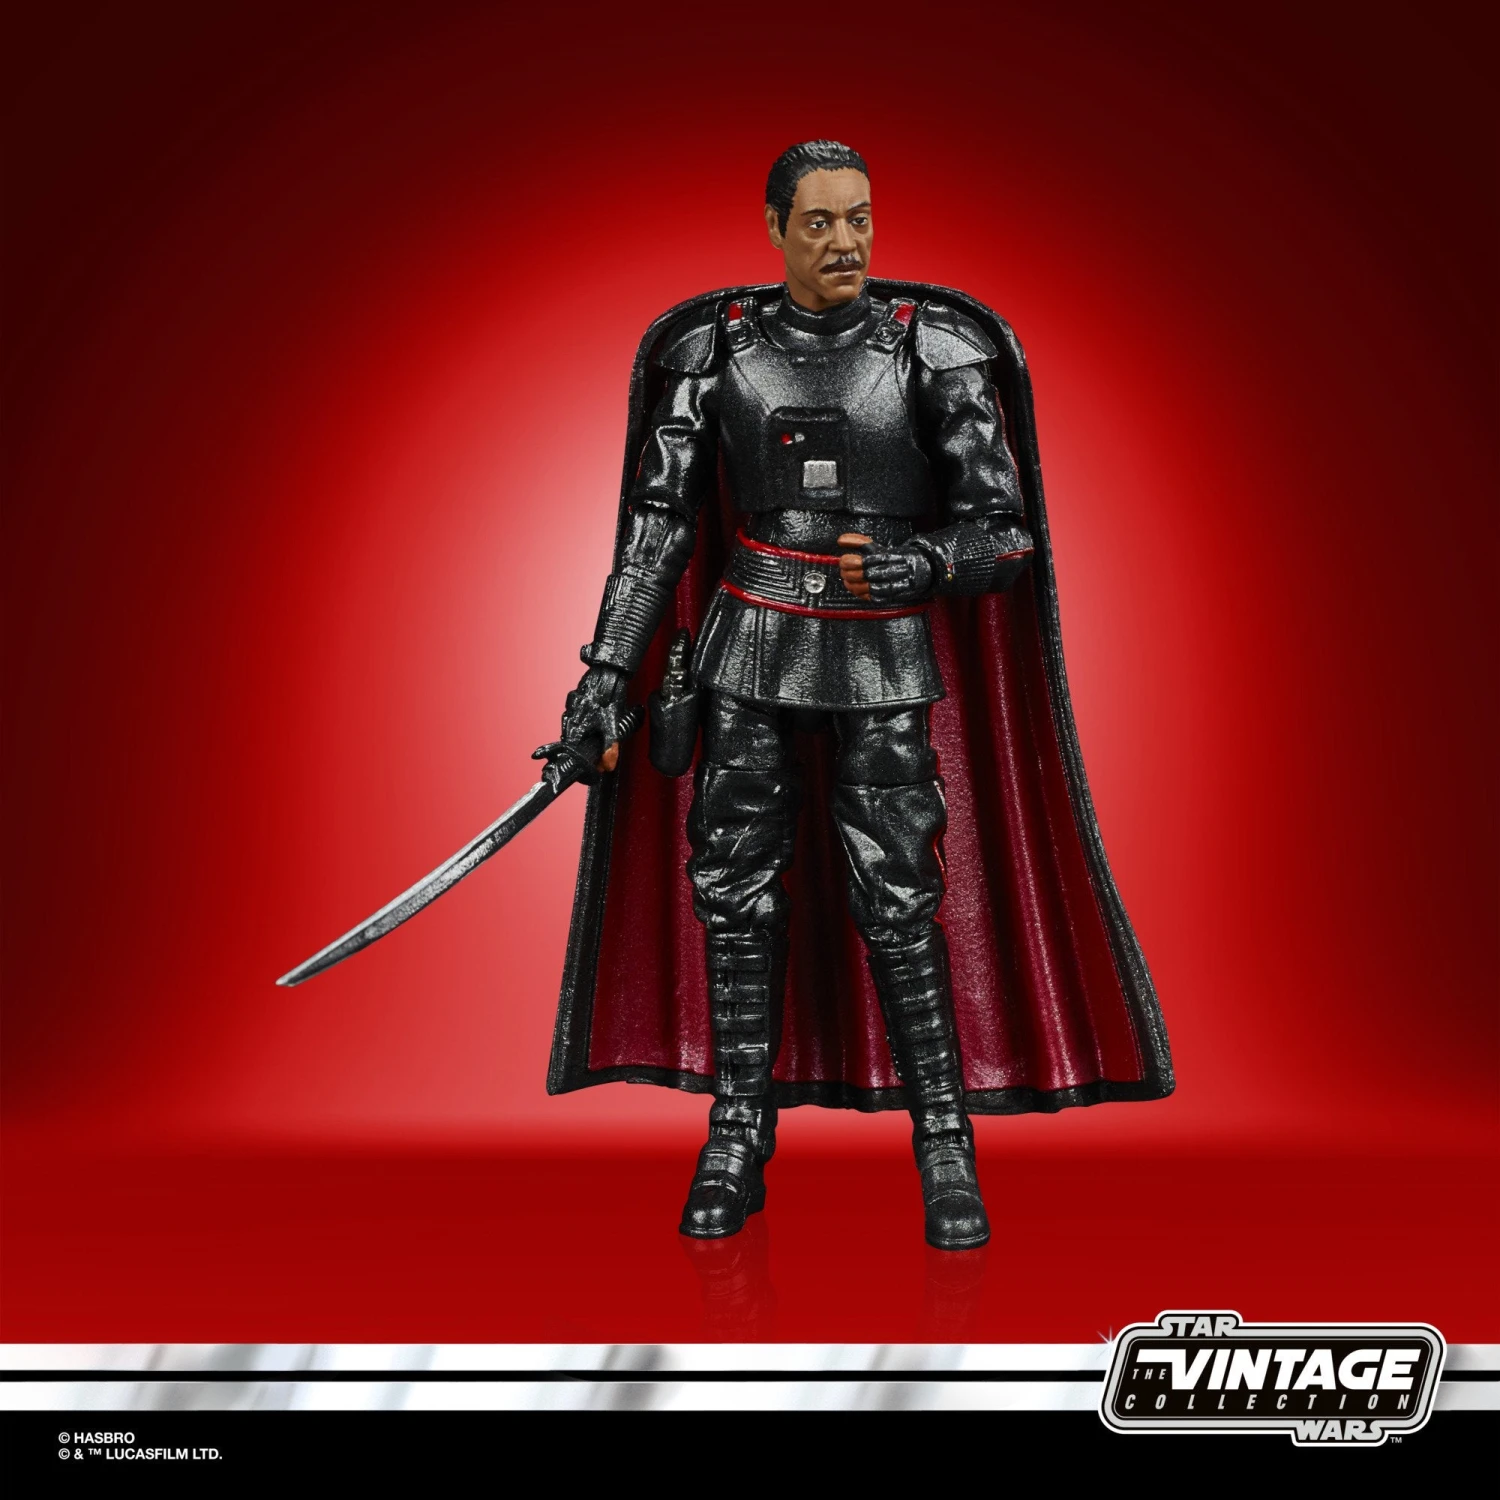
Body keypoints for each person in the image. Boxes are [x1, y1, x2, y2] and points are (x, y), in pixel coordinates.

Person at [547, 140, 1173, 1249]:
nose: (846, 242)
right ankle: (736, 1132)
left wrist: (923, 562)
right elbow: (657, 527)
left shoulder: (934, 348)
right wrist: (603, 676)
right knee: (733, 888)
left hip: (880, 651)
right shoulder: (713, 349)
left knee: (899, 894)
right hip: (747, 644)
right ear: (776, 228)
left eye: (861, 218)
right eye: (821, 222)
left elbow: (1003, 530)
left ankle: (945, 1141)